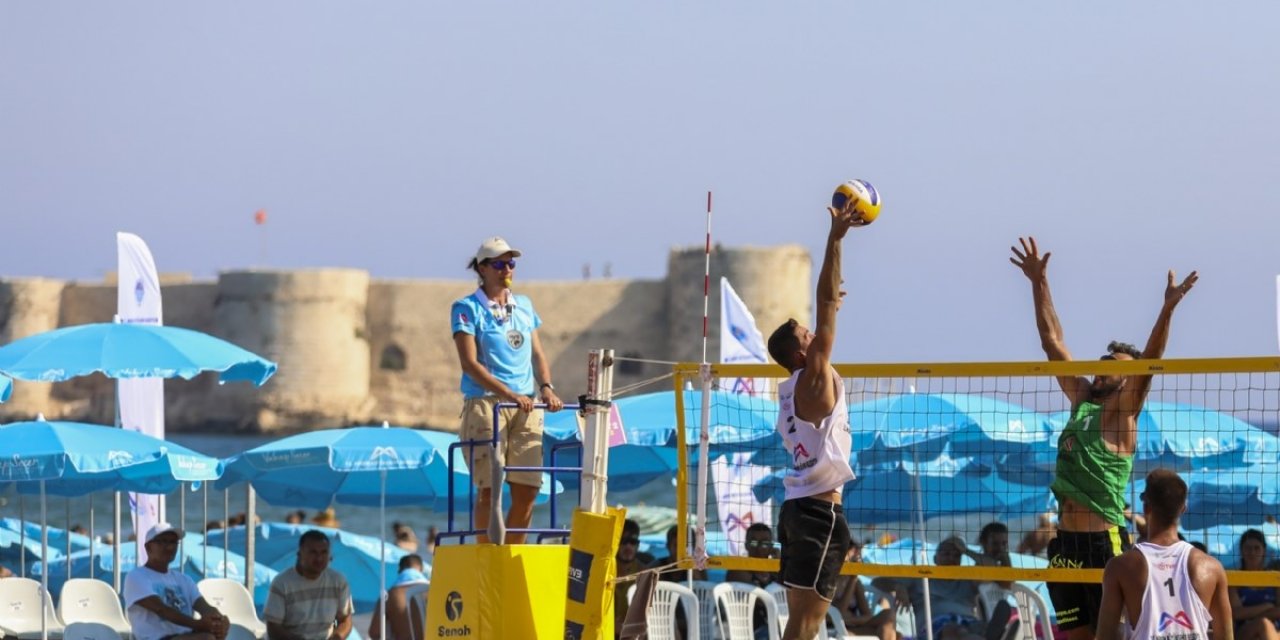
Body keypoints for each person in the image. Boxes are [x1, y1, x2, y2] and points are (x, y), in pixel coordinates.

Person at [1011, 236, 1197, 640]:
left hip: (1103, 544)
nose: (1101, 367)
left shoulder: (1123, 413)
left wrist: (1167, 309)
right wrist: (1038, 283)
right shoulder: (1082, 399)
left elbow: (1149, 365)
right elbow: (1053, 343)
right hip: (1065, 546)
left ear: (1127, 380)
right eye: (1102, 360)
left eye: (1111, 365)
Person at [766, 199, 865, 640]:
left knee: (799, 623)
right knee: (806, 626)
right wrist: (836, 238)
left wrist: (833, 310)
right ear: (802, 353)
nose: (817, 332)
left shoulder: (792, 391)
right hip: (819, 513)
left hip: (798, 510)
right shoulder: (811, 379)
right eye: (809, 334)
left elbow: (828, 307)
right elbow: (824, 299)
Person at [451, 236, 564, 544]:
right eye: (499, 263)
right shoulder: (466, 308)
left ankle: (511, 553)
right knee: (489, 488)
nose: (506, 269)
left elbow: (537, 353)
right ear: (483, 268)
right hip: (487, 404)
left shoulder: (524, 305)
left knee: (528, 488)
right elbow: (470, 364)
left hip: (526, 405)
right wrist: (509, 394)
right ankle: (488, 555)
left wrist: (546, 387)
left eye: (510, 263)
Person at [1096, 469, 1231, 640]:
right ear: (1183, 508)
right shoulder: (1212, 568)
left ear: (1146, 508)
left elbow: (1104, 637)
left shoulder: (1120, 567)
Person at [872, 537, 1011, 640]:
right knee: (955, 631)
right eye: (946, 554)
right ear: (935, 558)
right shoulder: (921, 577)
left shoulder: (968, 577)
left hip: (969, 621)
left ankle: (990, 634)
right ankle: (994, 637)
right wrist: (897, 586)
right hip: (934, 627)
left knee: (990, 619)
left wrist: (967, 551)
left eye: (957, 555)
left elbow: (992, 566)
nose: (951, 558)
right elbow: (877, 581)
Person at [123, 523, 230, 640]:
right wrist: (199, 624)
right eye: (162, 541)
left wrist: (219, 620)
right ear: (148, 547)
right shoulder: (136, 576)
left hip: (185, 636)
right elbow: (161, 609)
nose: (169, 547)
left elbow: (204, 607)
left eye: (173, 542)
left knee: (212, 635)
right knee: (207, 638)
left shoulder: (184, 579)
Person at [264, 530, 354, 640]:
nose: (319, 558)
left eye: (324, 552)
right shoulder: (282, 583)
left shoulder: (338, 581)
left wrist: (336, 637)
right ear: (299, 554)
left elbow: (345, 619)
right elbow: (273, 627)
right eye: (313, 552)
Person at [833, 542, 898, 640]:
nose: (857, 557)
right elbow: (838, 613)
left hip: (853, 626)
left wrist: (851, 620)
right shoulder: (831, 580)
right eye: (854, 552)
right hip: (835, 629)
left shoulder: (856, 583)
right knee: (890, 630)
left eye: (858, 553)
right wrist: (852, 579)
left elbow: (867, 615)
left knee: (889, 617)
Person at [1229, 529, 1279, 640]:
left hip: (1272, 632)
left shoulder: (1274, 577)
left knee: (1265, 628)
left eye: (1257, 548)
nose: (1252, 552)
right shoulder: (1233, 579)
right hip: (1244, 632)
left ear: (1264, 551)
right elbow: (1237, 613)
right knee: (1263, 624)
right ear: (1241, 551)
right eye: (1248, 548)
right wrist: (1267, 607)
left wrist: (1252, 614)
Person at [367, 554, 428, 640]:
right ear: (421, 570)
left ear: (400, 570)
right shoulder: (436, 591)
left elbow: (375, 632)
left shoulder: (389, 595)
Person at [614, 519, 647, 637]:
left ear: (638, 545)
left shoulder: (644, 573)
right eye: (623, 541)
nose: (628, 546)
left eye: (632, 542)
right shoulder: (606, 572)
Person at [725, 522, 779, 588]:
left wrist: (780, 563)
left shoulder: (776, 572)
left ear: (771, 547)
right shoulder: (737, 571)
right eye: (754, 543)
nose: (759, 548)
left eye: (765, 543)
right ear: (746, 545)